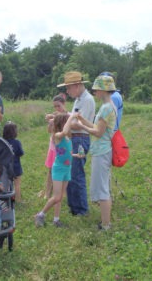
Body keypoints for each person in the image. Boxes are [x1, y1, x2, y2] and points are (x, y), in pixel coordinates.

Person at [74, 75, 117, 230]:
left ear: (103, 90)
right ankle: (105, 222)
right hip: (102, 150)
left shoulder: (106, 108)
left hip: (102, 151)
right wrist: (83, 120)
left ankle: (106, 225)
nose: (94, 92)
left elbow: (98, 132)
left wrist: (81, 126)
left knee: (102, 189)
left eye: (96, 89)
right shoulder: (108, 106)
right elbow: (96, 126)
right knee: (103, 185)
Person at [57, 71, 95, 216]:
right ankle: (73, 207)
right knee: (70, 173)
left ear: (77, 85)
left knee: (77, 173)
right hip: (74, 138)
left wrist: (63, 124)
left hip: (80, 139)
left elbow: (80, 124)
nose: (67, 91)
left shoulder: (87, 100)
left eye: (69, 87)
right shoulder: (78, 100)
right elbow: (72, 119)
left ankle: (81, 210)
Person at [34, 112, 75, 228]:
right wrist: (71, 116)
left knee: (60, 197)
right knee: (56, 196)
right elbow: (65, 131)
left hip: (67, 168)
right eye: (67, 122)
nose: (69, 123)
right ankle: (40, 215)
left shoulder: (67, 137)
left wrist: (76, 155)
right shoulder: (57, 136)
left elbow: (67, 152)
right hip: (58, 169)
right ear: (62, 123)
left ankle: (56, 220)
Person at [39, 94, 68, 199]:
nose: (57, 108)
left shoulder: (67, 116)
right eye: (55, 106)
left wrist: (56, 120)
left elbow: (66, 131)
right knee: (51, 170)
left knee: (63, 170)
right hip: (53, 146)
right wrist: (51, 124)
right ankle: (47, 192)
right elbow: (49, 131)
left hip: (62, 147)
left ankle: (61, 192)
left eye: (58, 106)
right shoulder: (54, 115)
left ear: (64, 104)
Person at [2, 121, 24, 202]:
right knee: (17, 184)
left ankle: (7, 198)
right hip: (16, 167)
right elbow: (21, 153)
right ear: (14, 132)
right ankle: (18, 200)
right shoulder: (17, 142)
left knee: (6, 182)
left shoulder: (2, 142)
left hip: (5, 167)